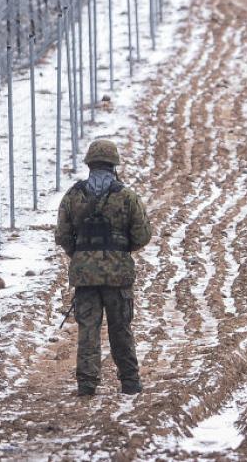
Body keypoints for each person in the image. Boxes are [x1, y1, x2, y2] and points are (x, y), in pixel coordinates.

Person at [55, 139, 153, 396]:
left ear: (89, 164)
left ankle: (86, 384)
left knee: (88, 329)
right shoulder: (127, 197)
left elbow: (63, 235)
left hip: (85, 276)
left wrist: (81, 255)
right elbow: (142, 235)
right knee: (121, 327)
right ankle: (130, 381)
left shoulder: (73, 196)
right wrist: (119, 251)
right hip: (118, 275)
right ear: (113, 165)